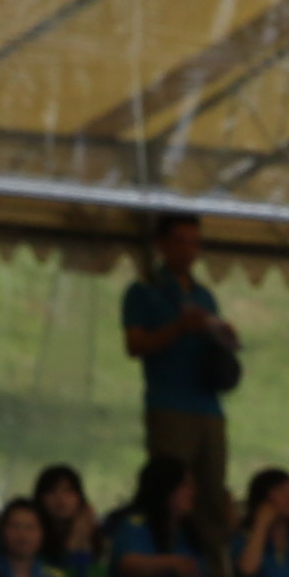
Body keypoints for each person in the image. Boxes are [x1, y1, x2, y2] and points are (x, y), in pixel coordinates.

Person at [121, 214, 240, 513]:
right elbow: (135, 345)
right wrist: (178, 327)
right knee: (169, 491)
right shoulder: (143, 291)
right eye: (180, 242)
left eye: (194, 244)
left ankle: (209, 556)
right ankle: (165, 549)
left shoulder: (205, 296)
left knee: (211, 493)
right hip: (169, 405)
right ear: (161, 245)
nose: (188, 251)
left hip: (209, 405)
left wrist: (223, 336)